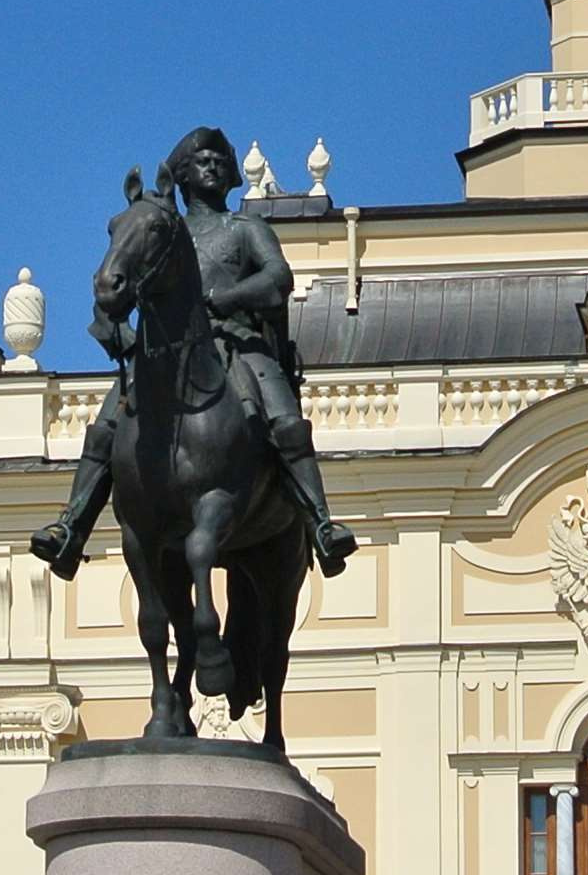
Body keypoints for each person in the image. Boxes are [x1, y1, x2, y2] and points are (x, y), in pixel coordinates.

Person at [31, 125, 356, 578]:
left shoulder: (245, 227)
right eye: (203, 161)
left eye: (221, 162)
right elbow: (118, 283)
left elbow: (277, 278)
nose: (214, 167)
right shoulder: (160, 228)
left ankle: (320, 525)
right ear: (182, 175)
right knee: (106, 426)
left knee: (285, 419)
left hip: (236, 342)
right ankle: (72, 527)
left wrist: (227, 298)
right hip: (162, 353)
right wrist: (118, 330)